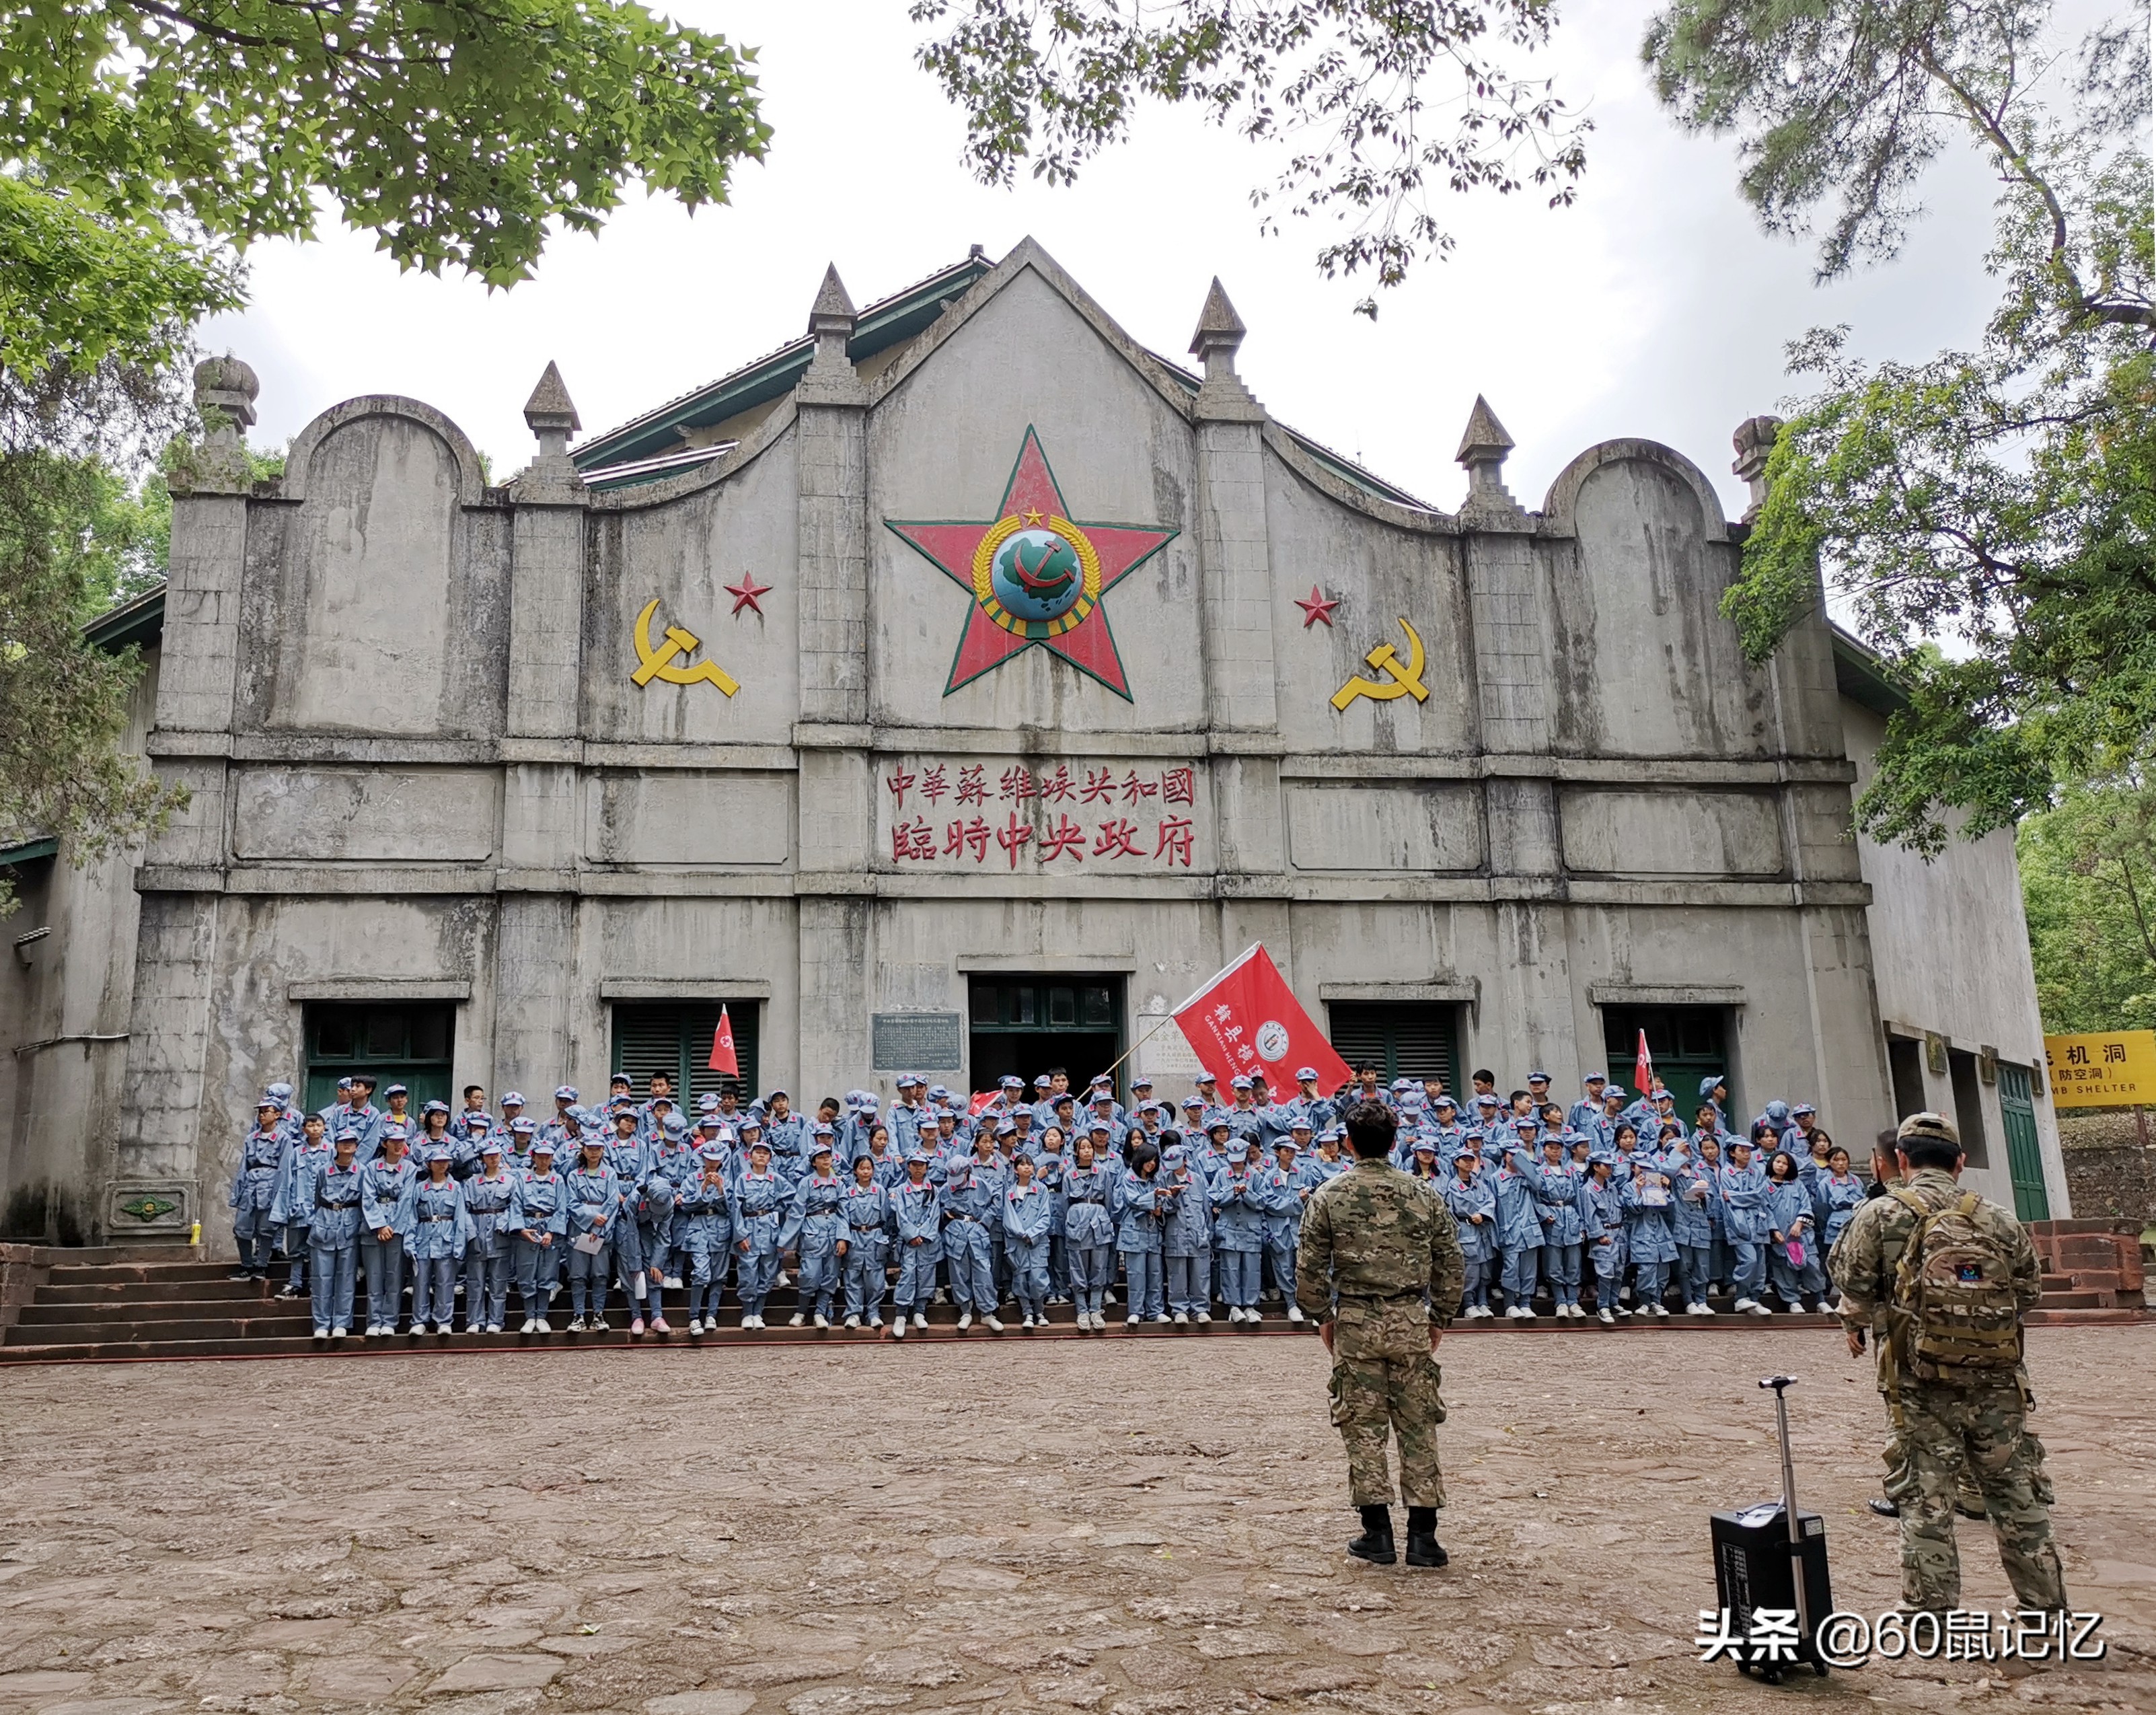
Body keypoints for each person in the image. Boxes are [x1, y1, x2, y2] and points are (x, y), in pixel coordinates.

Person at [1829, 1111, 2068, 1615]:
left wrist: (1864, 1319)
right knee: (2015, 1495)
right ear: (1960, 1163)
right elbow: (2027, 1290)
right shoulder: (1997, 1216)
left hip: (1917, 1380)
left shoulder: (1880, 1214)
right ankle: (2045, 1609)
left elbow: (1850, 1283)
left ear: (1899, 1160)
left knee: (1925, 1498)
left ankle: (1930, 1614)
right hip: (1997, 1378)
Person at [1295, 1099, 1464, 1570]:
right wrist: (1438, 1317)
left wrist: (1322, 1317)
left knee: (1362, 1428)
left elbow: (1308, 1267)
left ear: (1347, 1142)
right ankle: (1424, 1538)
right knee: (1418, 1425)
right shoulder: (1423, 1193)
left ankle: (1377, 1533)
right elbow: (1451, 1260)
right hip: (1410, 1318)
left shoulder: (1328, 1195)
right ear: (1395, 1143)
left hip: (1355, 1322)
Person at [302, 1128, 364, 1343]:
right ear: (336, 1145)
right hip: (324, 1224)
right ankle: (321, 1324)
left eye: (351, 1142)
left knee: (346, 1278)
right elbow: (317, 1197)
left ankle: (341, 1323)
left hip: (350, 1226)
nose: (347, 1145)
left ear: (356, 1146)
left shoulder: (363, 1171)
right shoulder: (323, 1170)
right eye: (342, 1142)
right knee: (321, 1278)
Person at [507, 1136, 566, 1334]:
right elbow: (515, 1207)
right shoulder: (523, 1180)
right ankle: (529, 1316)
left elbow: (561, 1208)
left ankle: (541, 1316)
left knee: (547, 1274)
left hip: (550, 1229)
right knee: (526, 1274)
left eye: (547, 1157)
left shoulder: (558, 1180)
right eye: (540, 1157)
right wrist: (521, 1229)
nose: (543, 1161)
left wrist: (551, 1231)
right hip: (528, 1229)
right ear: (533, 1157)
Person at [460, 1138, 517, 1334]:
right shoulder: (472, 1182)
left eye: (496, 1155)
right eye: (489, 1155)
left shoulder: (510, 1180)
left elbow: (514, 1206)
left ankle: (496, 1320)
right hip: (477, 1233)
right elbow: (464, 1209)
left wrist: (504, 1224)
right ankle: (474, 1320)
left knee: (498, 1282)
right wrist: (470, 1231)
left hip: (499, 1235)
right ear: (483, 1158)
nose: (493, 1159)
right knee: (475, 1281)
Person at [229, 1098, 287, 1282]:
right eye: (260, 1112)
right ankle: (246, 1264)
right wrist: (237, 1192)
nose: (262, 1115)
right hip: (250, 1186)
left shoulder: (284, 1138)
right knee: (241, 1228)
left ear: (277, 1114)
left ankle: (261, 1266)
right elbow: (243, 1167)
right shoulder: (251, 1138)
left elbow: (284, 1170)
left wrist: (279, 1196)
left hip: (269, 1187)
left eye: (266, 1111)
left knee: (266, 1230)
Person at [890, 1149, 942, 1338]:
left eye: (922, 1165)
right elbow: (900, 1215)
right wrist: (912, 1234)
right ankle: (901, 1315)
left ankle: (920, 1311)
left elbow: (935, 1215)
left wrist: (924, 1234)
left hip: (928, 1243)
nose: (918, 1168)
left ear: (927, 1167)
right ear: (909, 1167)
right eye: (915, 1165)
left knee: (926, 1276)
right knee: (908, 1276)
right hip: (910, 1243)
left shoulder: (934, 1190)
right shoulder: (901, 1191)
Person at [840, 1152, 891, 1331]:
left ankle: (873, 1313)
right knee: (853, 1277)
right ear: (855, 1171)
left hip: (874, 1238)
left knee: (876, 1280)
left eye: (869, 1168)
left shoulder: (880, 1192)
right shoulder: (848, 1193)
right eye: (862, 1168)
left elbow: (886, 1217)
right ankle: (854, 1313)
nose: (866, 1172)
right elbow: (843, 1219)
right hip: (854, 1238)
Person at [1117, 1140, 1167, 1325]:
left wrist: (1159, 1209)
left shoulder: (1156, 1180)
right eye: (1149, 1160)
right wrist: (1153, 1201)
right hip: (1134, 1232)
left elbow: (1163, 1202)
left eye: (1155, 1161)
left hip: (1153, 1232)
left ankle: (1156, 1310)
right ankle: (1136, 1311)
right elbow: (1133, 1200)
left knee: (1155, 1273)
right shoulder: (1128, 1178)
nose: (1152, 1164)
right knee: (1136, 1274)